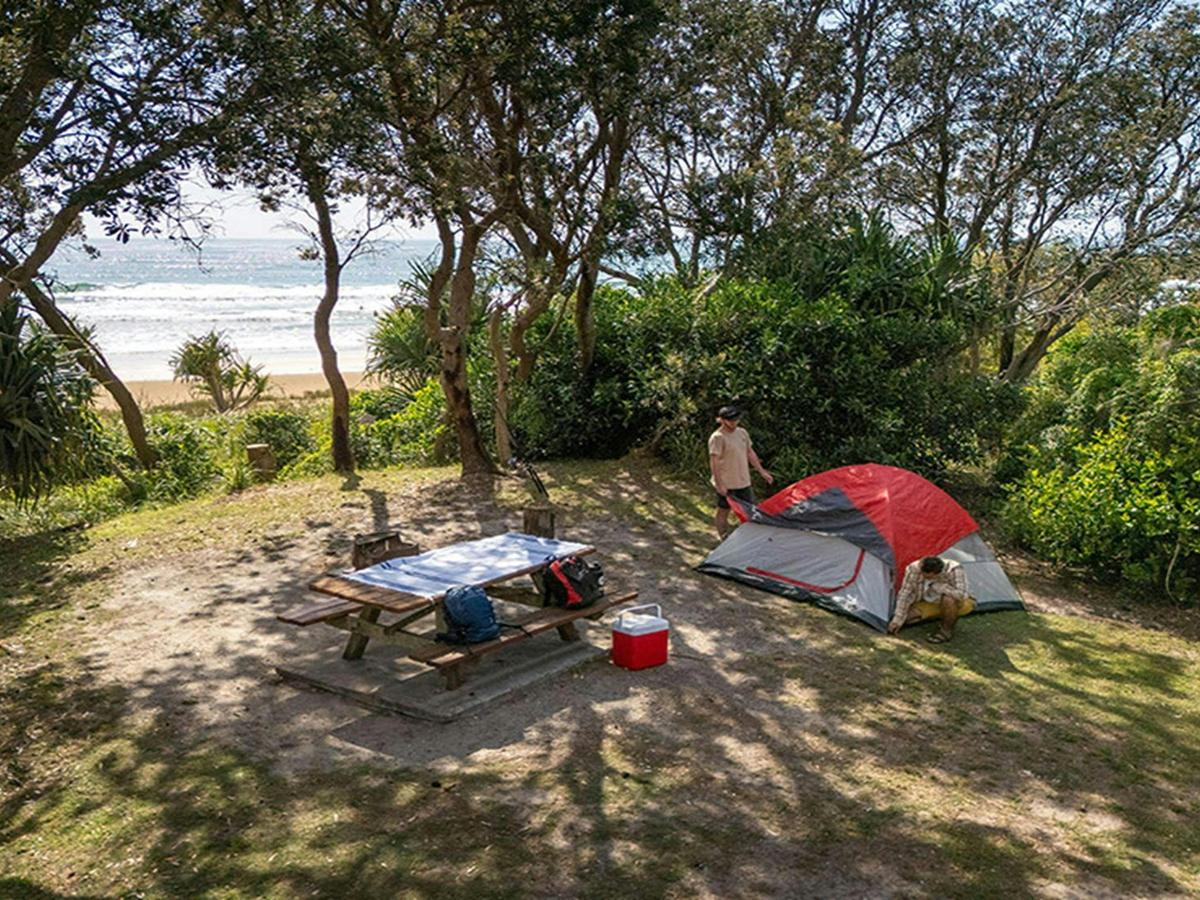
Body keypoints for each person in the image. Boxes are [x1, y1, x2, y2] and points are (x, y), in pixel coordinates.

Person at [709, 405, 772, 539]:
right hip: (726, 483)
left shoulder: (742, 433)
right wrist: (720, 484)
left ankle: (747, 538)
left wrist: (762, 472)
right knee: (723, 510)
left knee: (749, 510)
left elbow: (750, 453)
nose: (734, 423)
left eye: (736, 420)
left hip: (743, 481)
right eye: (731, 420)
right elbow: (714, 462)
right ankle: (723, 537)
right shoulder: (718, 437)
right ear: (722, 420)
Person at [886, 555, 975, 643]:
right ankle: (937, 616)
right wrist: (897, 620)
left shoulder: (954, 569)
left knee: (949, 599)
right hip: (929, 603)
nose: (924, 578)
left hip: (955, 604)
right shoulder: (914, 569)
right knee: (905, 619)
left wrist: (940, 587)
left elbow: (961, 595)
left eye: (928, 577)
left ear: (937, 573)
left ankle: (945, 632)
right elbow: (905, 594)